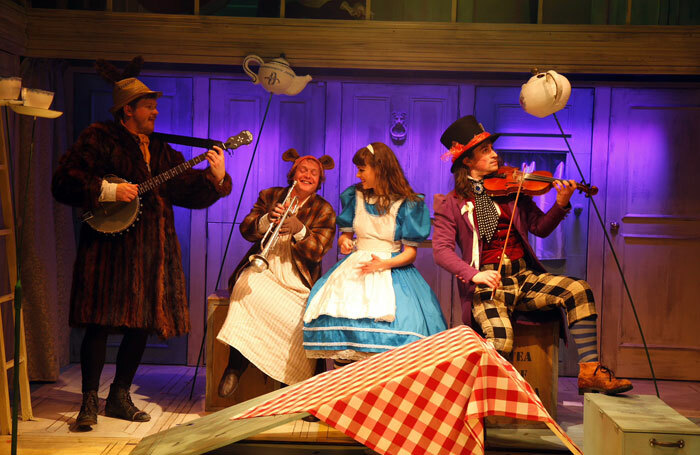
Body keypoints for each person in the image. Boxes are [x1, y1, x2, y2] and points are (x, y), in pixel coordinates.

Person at [51, 57, 232, 429]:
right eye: (148, 105)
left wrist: (215, 179)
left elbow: (185, 191)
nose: (155, 110)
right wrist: (107, 189)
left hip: (152, 253)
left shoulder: (161, 149)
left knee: (140, 324)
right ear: (127, 110)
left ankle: (118, 395)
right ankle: (88, 400)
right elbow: (64, 182)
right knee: (97, 324)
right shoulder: (99, 138)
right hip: (109, 250)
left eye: (154, 105)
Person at [432, 115, 632, 395]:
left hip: (524, 277)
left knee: (578, 289)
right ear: (467, 161)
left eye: (492, 148)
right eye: (486, 151)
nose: (495, 155)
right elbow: (440, 252)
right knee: (500, 342)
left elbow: (540, 228)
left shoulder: (514, 191)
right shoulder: (451, 203)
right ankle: (479, 397)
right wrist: (474, 274)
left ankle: (590, 372)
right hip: (487, 286)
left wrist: (561, 205)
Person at [303, 142, 447, 366]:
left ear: (379, 169)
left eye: (362, 169)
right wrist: (345, 243)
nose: (358, 175)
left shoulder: (407, 204)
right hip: (355, 271)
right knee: (346, 332)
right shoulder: (355, 196)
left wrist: (384, 265)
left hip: (390, 269)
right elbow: (345, 235)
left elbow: (410, 253)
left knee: (389, 337)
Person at [216, 149, 336, 396]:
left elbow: (318, 251)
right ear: (293, 173)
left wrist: (300, 230)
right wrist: (265, 221)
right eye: (303, 170)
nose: (308, 175)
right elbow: (246, 229)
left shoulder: (324, 209)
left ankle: (290, 386)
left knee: (298, 317)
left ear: (319, 181)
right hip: (267, 264)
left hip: (298, 276)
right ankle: (235, 367)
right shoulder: (270, 195)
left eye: (314, 173)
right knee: (246, 290)